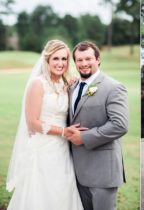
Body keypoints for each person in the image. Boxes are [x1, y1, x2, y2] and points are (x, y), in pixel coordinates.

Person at [6, 40, 84, 210]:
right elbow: (32, 123)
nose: (60, 63)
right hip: (43, 148)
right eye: (56, 59)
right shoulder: (37, 84)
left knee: (64, 190)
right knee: (42, 192)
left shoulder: (66, 84)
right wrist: (64, 131)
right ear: (47, 60)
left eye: (64, 59)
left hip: (63, 150)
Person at [65, 41, 129, 210]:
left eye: (88, 59)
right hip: (77, 171)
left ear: (98, 60)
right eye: (79, 60)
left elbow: (120, 125)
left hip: (102, 171)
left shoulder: (113, 87)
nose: (84, 64)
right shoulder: (72, 87)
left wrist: (84, 137)